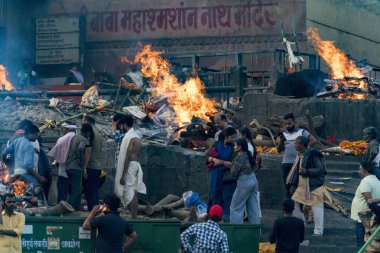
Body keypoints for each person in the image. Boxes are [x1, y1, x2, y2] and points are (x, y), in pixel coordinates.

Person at [287, 136, 326, 236]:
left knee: (317, 207)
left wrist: (307, 171)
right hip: (301, 186)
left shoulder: (313, 154)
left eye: (297, 143)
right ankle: (301, 224)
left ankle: (318, 232)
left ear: (302, 145)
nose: (295, 145)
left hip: (313, 185)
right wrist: (293, 184)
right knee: (295, 204)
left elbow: (321, 170)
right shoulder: (299, 155)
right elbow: (298, 171)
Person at [276, 113, 318, 197]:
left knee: (298, 186)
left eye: (289, 123)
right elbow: (278, 150)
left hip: (299, 162)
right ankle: (290, 206)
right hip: (286, 163)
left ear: (294, 122)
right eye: (286, 124)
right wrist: (281, 142)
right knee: (288, 186)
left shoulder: (301, 132)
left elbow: (314, 140)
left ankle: (299, 206)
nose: (287, 126)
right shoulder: (283, 134)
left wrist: (304, 150)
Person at [115, 115, 146, 219]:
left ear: (125, 124)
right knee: (133, 192)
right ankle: (134, 215)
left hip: (130, 166)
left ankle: (133, 217)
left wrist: (123, 175)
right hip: (135, 165)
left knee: (130, 192)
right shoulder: (136, 136)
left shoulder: (129, 137)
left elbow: (127, 157)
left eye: (122, 125)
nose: (121, 128)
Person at [207, 127, 237, 221]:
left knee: (226, 197)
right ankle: (214, 217)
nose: (233, 139)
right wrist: (213, 159)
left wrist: (221, 162)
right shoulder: (216, 144)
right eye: (232, 137)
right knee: (214, 194)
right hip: (215, 174)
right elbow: (207, 156)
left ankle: (225, 219)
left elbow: (233, 163)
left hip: (226, 176)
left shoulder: (232, 147)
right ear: (227, 136)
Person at [228, 138, 260, 224]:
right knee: (253, 207)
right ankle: (256, 231)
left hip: (244, 182)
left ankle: (236, 231)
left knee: (235, 208)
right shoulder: (248, 154)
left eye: (235, 145)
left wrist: (230, 166)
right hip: (253, 179)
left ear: (240, 147)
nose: (234, 147)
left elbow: (233, 173)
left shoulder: (239, 157)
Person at [351, 162, 380, 248]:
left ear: (365, 171)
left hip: (363, 217)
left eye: (360, 169)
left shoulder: (365, 182)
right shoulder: (377, 180)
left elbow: (369, 200)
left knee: (361, 242)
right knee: (369, 241)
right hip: (370, 216)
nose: (359, 171)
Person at [66, 123, 93, 211]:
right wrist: (82, 163)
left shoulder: (74, 137)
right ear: (88, 132)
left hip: (69, 166)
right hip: (76, 167)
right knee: (76, 190)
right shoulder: (84, 139)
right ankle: (67, 209)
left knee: (76, 189)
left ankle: (76, 209)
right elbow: (81, 149)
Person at [48, 122, 77, 203]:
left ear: (66, 129)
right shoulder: (78, 138)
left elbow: (57, 155)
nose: (62, 130)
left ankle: (61, 212)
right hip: (76, 173)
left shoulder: (61, 139)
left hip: (63, 173)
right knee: (73, 196)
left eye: (63, 128)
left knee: (62, 196)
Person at [82, 115, 104, 211]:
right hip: (98, 167)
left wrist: (84, 167)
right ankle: (95, 213)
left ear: (86, 121)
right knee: (94, 192)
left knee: (89, 193)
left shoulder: (90, 133)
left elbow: (88, 151)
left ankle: (92, 214)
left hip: (90, 166)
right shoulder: (99, 134)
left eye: (83, 121)